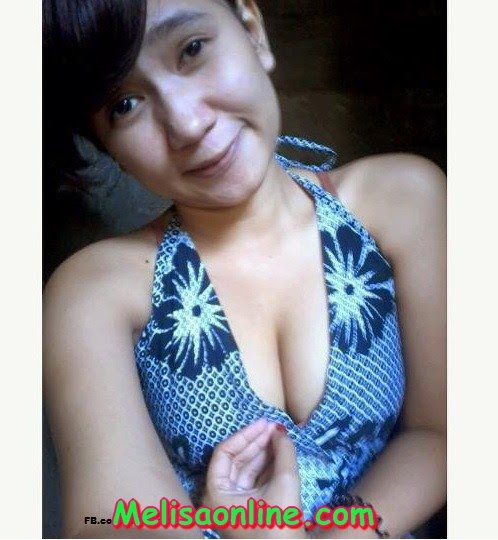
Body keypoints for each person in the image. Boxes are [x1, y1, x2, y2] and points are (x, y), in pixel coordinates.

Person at [43, 0, 447, 538]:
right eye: (125, 105)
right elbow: (106, 523)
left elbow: (442, 431)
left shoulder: (404, 200)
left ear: (253, 32)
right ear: (109, 148)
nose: (188, 124)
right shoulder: (92, 292)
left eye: (192, 49)